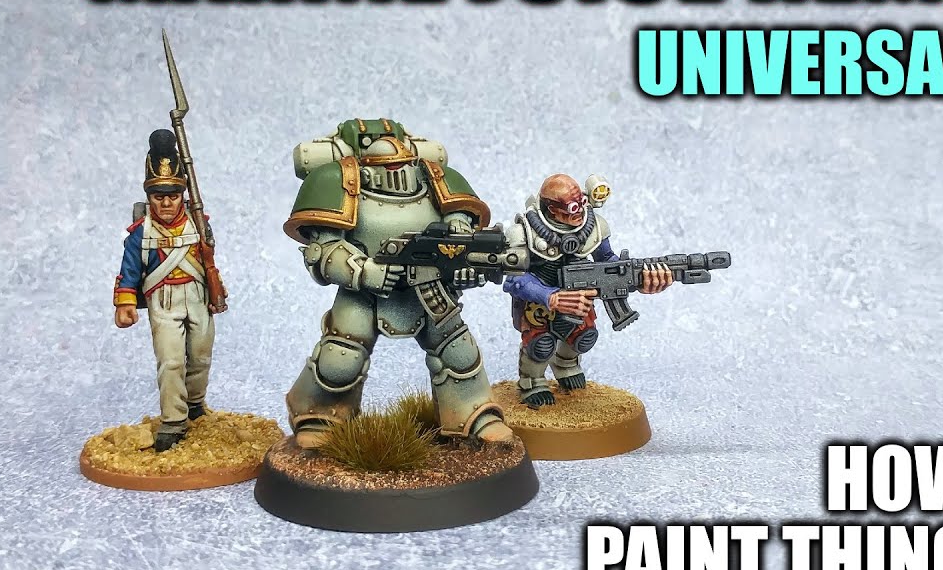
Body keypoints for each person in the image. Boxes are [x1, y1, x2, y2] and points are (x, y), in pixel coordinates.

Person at [282, 118, 513, 448]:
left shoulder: (436, 181)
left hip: (429, 289)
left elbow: (461, 233)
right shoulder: (340, 184)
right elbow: (323, 250)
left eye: (402, 163)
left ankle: (473, 415)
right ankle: (320, 417)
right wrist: (365, 271)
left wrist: (462, 263)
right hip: (364, 294)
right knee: (341, 356)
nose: (395, 169)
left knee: (457, 351)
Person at [503, 174, 672, 407]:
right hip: (539, 302)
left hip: (580, 299)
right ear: (552, 209)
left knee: (583, 337)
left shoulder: (594, 226)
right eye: (572, 207)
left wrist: (640, 278)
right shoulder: (524, 233)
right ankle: (532, 381)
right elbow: (514, 279)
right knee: (540, 346)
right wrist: (550, 297)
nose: (580, 211)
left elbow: (607, 261)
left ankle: (566, 366)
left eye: (581, 202)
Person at [113, 129, 219, 452]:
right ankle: (173, 420)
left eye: (173, 195)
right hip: (164, 300)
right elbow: (130, 269)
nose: (167, 202)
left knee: (200, 356)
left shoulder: (198, 222)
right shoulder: (141, 233)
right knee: (171, 361)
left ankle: (195, 404)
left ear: (182, 194)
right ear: (149, 197)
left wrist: (217, 289)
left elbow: (209, 261)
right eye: (159, 196)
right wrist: (124, 303)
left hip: (198, 297)